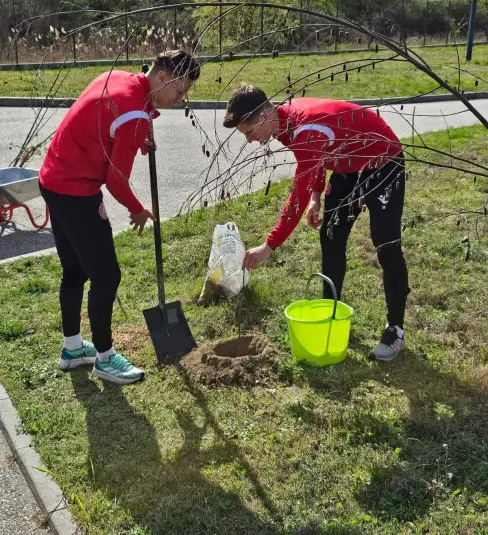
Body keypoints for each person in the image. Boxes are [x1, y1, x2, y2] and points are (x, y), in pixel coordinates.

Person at [39, 51, 200, 384]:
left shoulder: (120, 78)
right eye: (180, 90)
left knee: (75, 269)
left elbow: (106, 123)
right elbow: (115, 179)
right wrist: (137, 209)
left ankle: (72, 349)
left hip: (52, 177)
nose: (180, 98)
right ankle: (105, 359)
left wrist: (135, 137)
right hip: (76, 191)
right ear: (162, 78)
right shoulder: (134, 115)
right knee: (107, 276)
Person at [223, 84, 410, 361]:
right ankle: (330, 312)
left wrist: (269, 246)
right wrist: (317, 195)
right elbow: (316, 156)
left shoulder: (303, 128)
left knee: (386, 245)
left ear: (263, 116)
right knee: (331, 237)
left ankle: (395, 331)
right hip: (348, 165)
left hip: (383, 162)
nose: (250, 140)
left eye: (249, 132)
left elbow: (295, 197)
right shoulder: (284, 123)